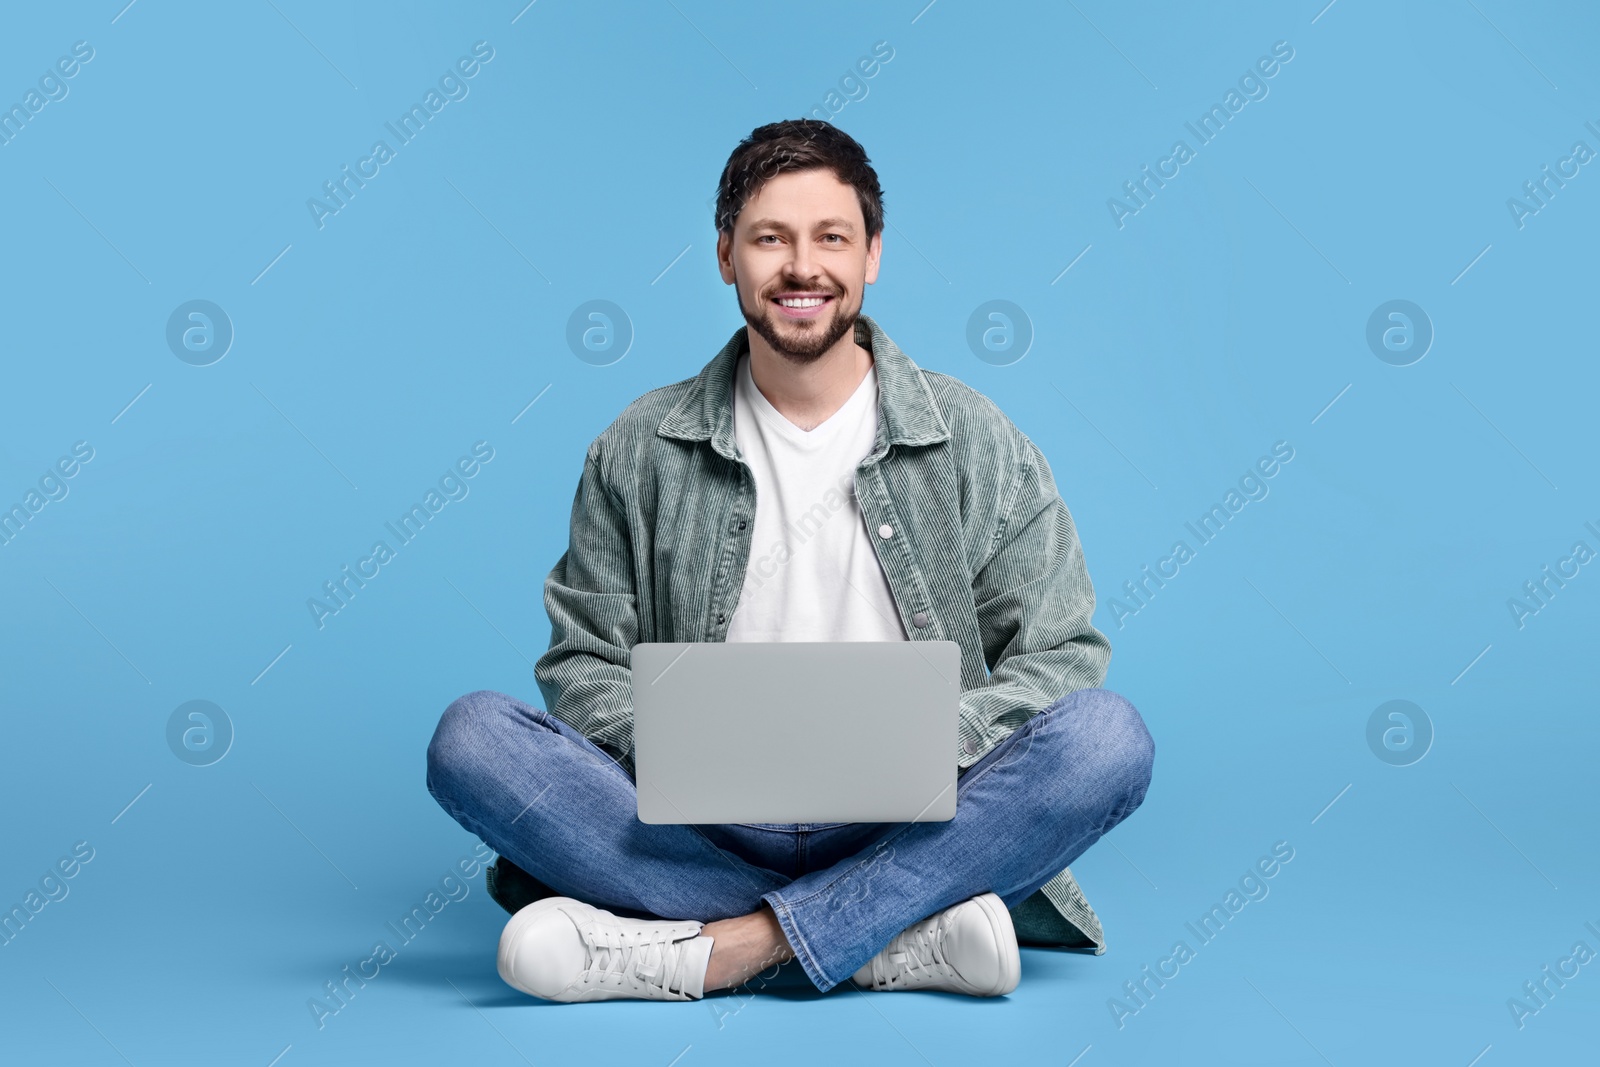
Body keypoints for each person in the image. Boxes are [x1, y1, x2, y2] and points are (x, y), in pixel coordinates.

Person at [426, 118, 1154, 1004]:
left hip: (913, 813)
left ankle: (723, 945)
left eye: (831, 238)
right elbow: (583, 664)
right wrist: (672, 742)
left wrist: (940, 742)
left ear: (873, 253)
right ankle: (891, 933)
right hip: (703, 819)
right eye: (771, 238)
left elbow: (1064, 656)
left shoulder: (975, 438)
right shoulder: (636, 448)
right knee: (471, 740)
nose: (801, 266)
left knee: (1108, 740)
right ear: (727, 253)